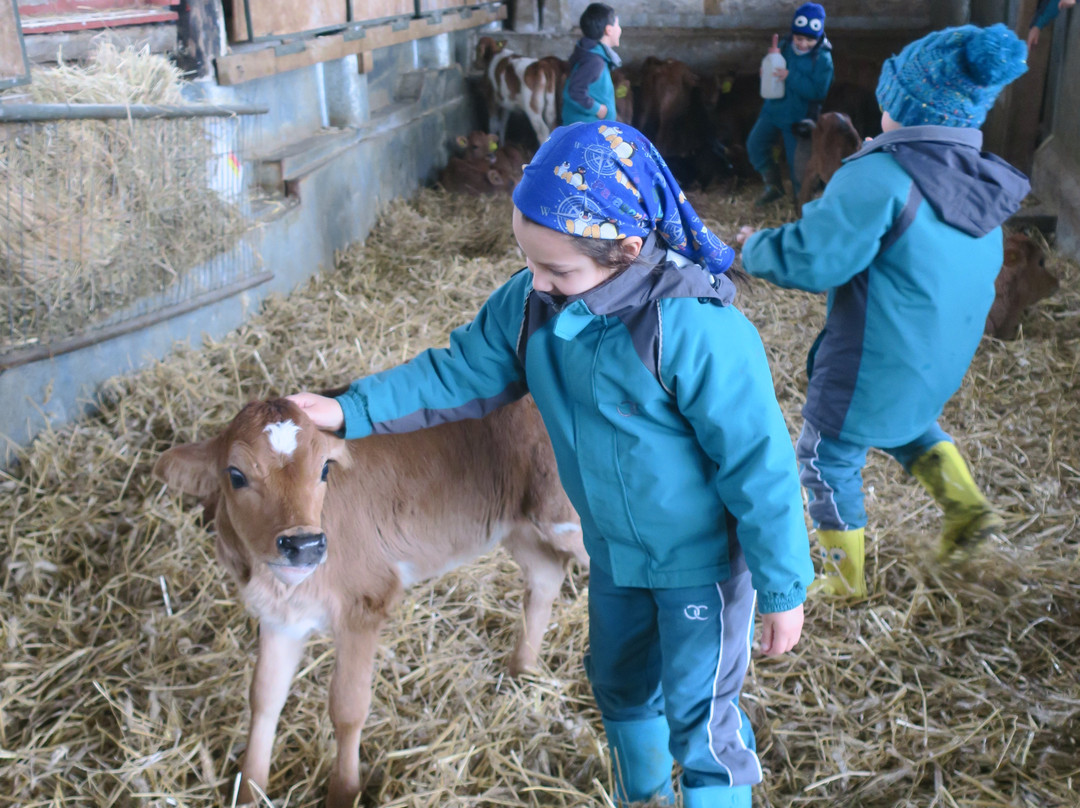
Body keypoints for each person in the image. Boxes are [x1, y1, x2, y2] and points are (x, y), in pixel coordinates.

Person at [287, 121, 813, 807]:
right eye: (527, 261)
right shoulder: (533, 304)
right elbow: (457, 373)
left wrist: (782, 587)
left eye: (556, 270)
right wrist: (348, 410)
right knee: (620, 687)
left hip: (702, 567)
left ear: (627, 249)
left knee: (701, 718)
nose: (535, 281)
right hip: (618, 555)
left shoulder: (697, 330)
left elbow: (760, 465)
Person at [736, 24, 1030, 599]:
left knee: (825, 455)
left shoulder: (879, 177)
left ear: (902, 102)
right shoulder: (981, 179)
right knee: (908, 424)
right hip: (938, 356)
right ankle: (968, 509)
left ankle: (844, 583)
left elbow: (814, 260)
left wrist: (753, 247)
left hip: (876, 352)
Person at [747, 2, 834, 206]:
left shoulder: (823, 59)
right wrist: (766, 70)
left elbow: (818, 92)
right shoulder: (785, 46)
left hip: (798, 118)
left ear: (818, 37)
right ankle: (774, 186)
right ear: (792, 33)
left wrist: (790, 76)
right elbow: (771, 69)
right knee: (755, 145)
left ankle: (800, 203)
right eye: (799, 38)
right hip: (772, 110)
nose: (802, 43)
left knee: (799, 166)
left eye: (809, 40)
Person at [562, 3, 622, 125]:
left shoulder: (594, 56)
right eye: (618, 24)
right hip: (587, 130)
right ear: (608, 30)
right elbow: (575, 91)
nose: (620, 29)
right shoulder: (595, 61)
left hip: (591, 127)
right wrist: (597, 109)